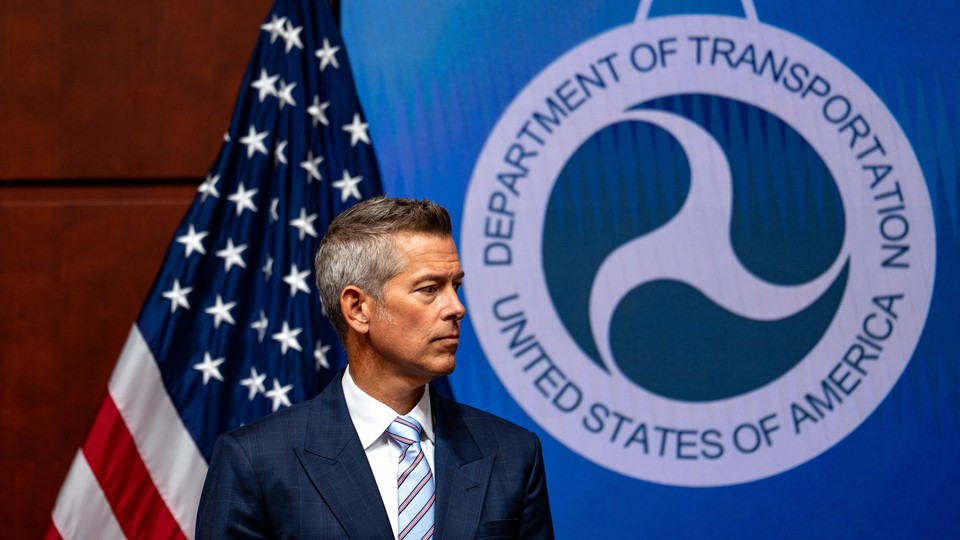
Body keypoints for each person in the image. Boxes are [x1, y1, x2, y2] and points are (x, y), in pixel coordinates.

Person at [196, 197, 554, 539]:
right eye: (430, 289)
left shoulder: (513, 453)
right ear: (357, 309)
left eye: (455, 286)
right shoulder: (255, 461)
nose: (456, 307)